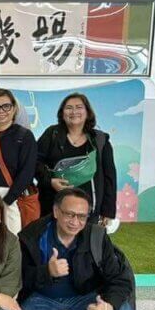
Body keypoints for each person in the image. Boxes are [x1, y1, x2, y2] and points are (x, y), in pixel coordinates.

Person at [17, 188, 135, 310]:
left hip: (85, 296)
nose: (75, 222)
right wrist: (46, 271)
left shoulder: (97, 237)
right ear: (56, 211)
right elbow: (17, 277)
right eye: (69, 214)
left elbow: (120, 278)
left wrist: (109, 305)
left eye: (81, 216)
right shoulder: (32, 236)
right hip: (42, 297)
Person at [35, 93, 117, 226]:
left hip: (89, 209)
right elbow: (34, 162)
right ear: (62, 113)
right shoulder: (52, 134)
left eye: (79, 107)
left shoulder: (100, 139)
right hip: (53, 206)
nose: (74, 112)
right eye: (69, 108)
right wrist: (49, 180)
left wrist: (108, 211)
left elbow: (109, 176)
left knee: (86, 244)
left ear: (87, 112)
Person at [0, 88, 37, 234]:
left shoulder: (25, 136)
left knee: (12, 245)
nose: (1, 111)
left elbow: (27, 172)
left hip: (13, 199)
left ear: (14, 109)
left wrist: (7, 200)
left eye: (6, 106)